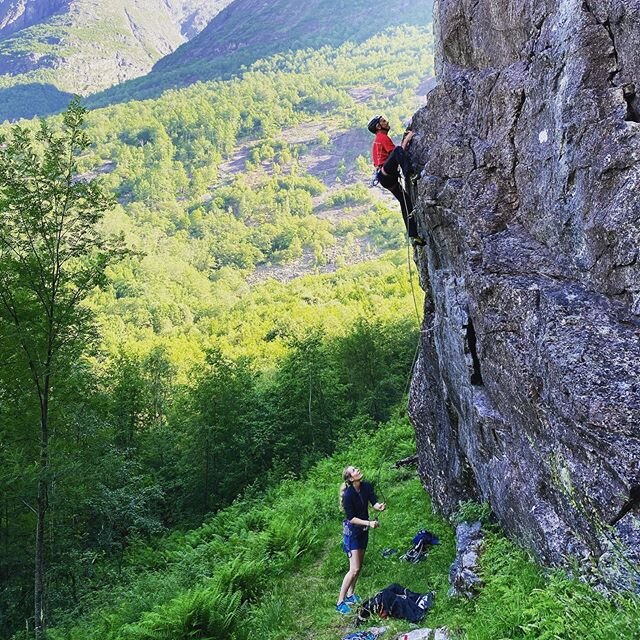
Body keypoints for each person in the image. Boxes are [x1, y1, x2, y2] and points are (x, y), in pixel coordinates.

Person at [368, 115, 425, 246]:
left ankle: (414, 236)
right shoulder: (382, 137)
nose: (387, 122)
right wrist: (408, 138)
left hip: (386, 178)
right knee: (399, 149)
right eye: (383, 121)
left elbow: (395, 155)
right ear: (378, 126)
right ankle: (411, 175)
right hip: (387, 174)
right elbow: (399, 152)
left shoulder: (378, 139)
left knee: (406, 203)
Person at [336, 465, 386, 615]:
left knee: (359, 567)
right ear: (351, 478)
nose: (358, 470)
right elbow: (351, 518)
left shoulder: (366, 486)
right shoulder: (348, 495)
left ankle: (351, 595)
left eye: (357, 468)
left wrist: (379, 507)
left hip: (363, 531)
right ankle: (340, 602)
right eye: (354, 470)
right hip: (352, 533)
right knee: (354, 569)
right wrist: (369, 523)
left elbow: (373, 502)